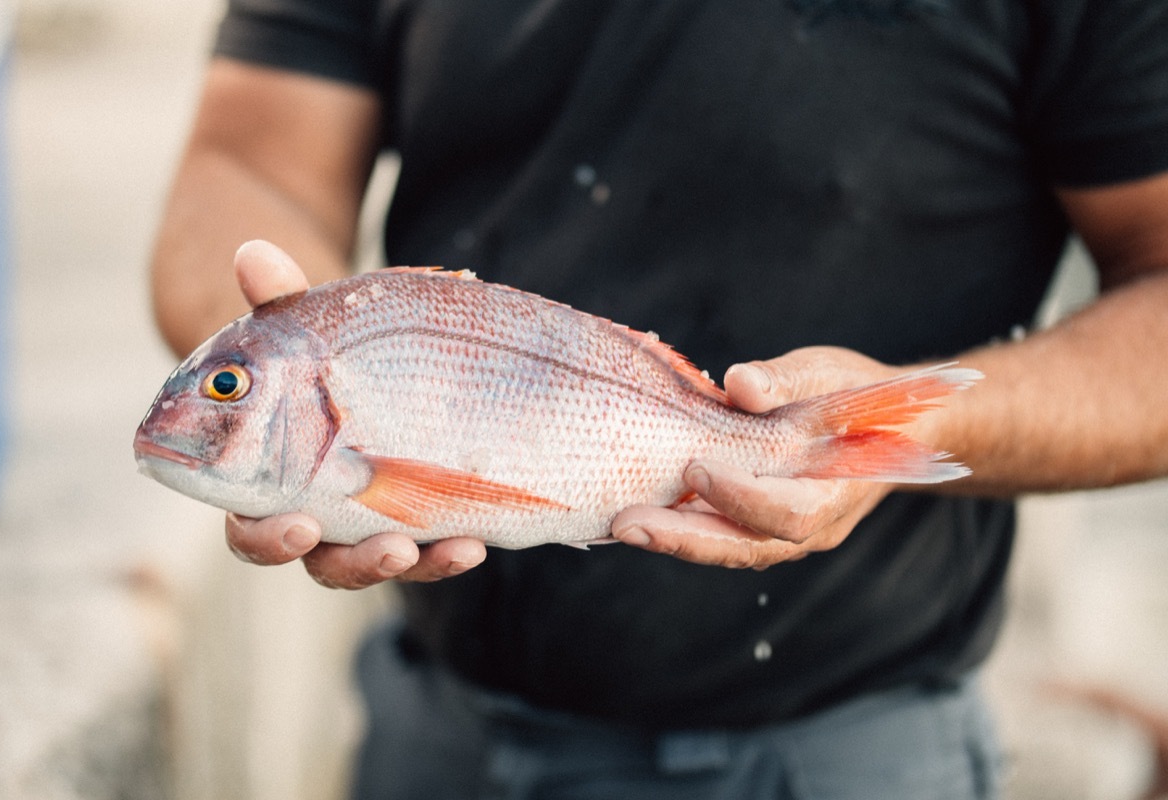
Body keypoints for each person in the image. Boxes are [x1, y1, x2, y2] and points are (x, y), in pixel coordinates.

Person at [149, 2, 1168, 797]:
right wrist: (289, 347)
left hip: (830, 758)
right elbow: (249, 156)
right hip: (432, 723)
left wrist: (941, 417)